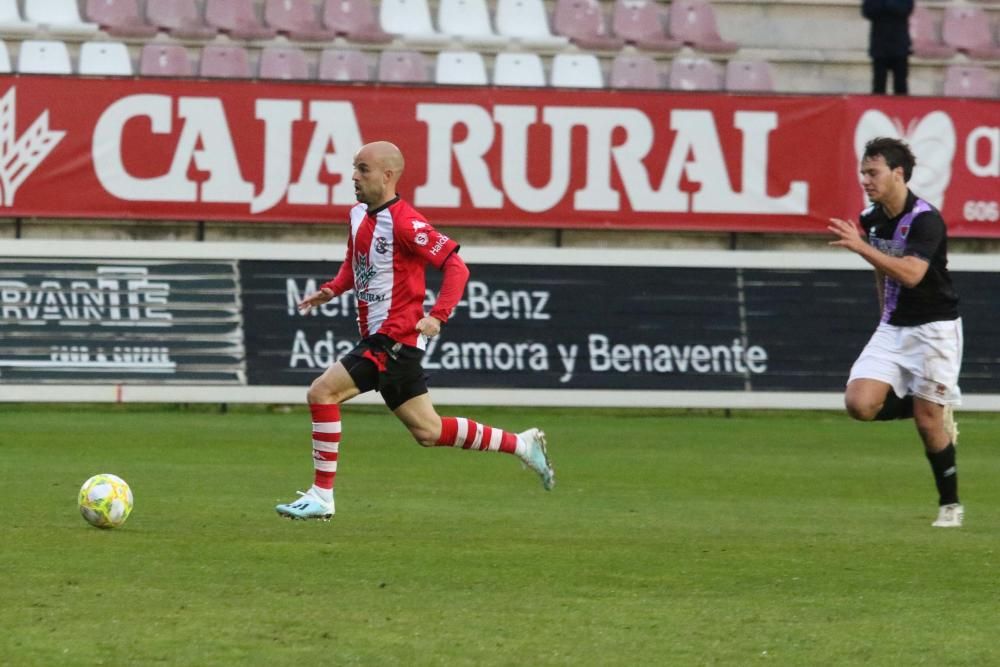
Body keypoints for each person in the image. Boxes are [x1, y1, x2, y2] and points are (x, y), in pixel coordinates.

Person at [275, 141, 555, 521]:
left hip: (393, 339)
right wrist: (332, 289)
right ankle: (522, 445)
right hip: (384, 342)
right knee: (429, 430)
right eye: (354, 168)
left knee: (322, 391)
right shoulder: (358, 215)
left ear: (388, 176)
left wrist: (438, 316)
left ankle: (322, 496)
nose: (353, 176)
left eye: (363, 169)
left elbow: (457, 267)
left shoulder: (406, 222)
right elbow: (355, 263)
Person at [828, 136, 963, 528]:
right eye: (862, 172)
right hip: (894, 326)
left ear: (897, 173)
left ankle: (950, 506)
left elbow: (912, 273)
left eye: (873, 172)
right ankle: (930, 405)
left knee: (927, 423)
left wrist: (860, 246)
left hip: (935, 329)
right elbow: (883, 273)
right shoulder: (871, 218)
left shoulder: (925, 219)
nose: (865, 180)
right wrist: (882, 312)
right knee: (859, 404)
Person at [861, 0, 914, 95]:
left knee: (901, 86)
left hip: (899, 46)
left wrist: (886, 4)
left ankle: (902, 109)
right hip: (879, 46)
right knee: (878, 86)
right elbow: (867, 11)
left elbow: (906, 9)